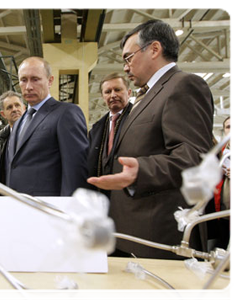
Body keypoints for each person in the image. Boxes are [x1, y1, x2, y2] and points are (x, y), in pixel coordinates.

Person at [87, 20, 214, 259]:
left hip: (157, 235)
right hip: (132, 230)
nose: (126, 67)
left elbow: (194, 156)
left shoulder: (183, 86)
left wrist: (141, 171)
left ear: (154, 49)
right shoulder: (148, 96)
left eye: (128, 57)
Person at [6, 56, 88, 196]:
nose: (29, 87)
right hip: (17, 204)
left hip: (49, 207)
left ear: (50, 81)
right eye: (23, 80)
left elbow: (75, 168)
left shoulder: (66, 113)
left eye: (35, 79)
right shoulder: (19, 122)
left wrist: (69, 209)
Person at [87, 72, 133, 197]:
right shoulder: (96, 129)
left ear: (129, 93)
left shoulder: (138, 119)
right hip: (102, 195)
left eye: (117, 90)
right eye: (108, 92)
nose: (113, 95)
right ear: (103, 96)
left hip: (128, 193)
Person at [207, 116, 234, 250]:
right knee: (218, 253)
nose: (232, 129)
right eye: (228, 127)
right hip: (221, 214)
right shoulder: (219, 152)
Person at [0, 91, 26, 185]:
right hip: (9, 195)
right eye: (9, 107)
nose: (14, 109)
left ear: (24, 108)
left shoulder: (37, 134)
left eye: (17, 105)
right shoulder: (4, 139)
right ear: (3, 114)